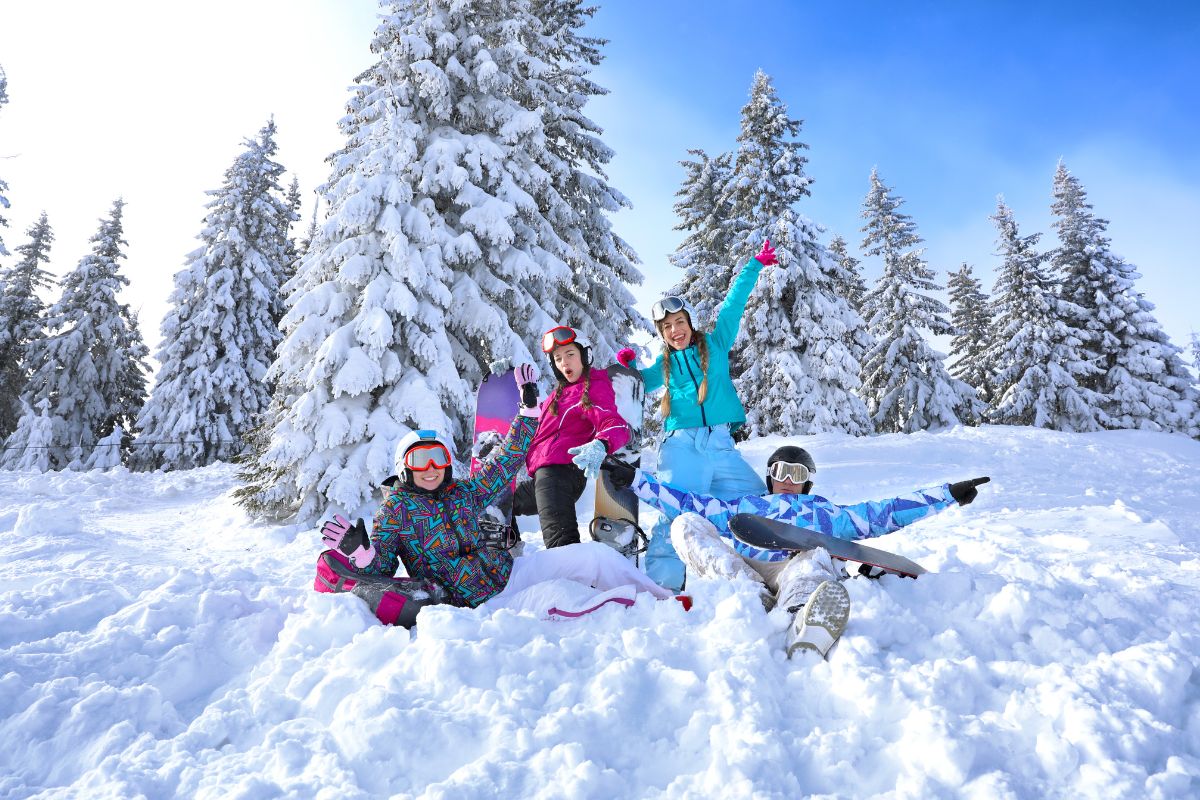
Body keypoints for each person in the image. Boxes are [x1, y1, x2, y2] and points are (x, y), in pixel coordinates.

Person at [318, 366, 673, 626]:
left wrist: (528, 413)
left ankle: (667, 603)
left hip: (513, 571)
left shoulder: (463, 492)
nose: (431, 468)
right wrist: (363, 554)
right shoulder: (396, 511)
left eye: (438, 458)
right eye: (420, 460)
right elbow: (381, 570)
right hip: (481, 605)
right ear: (405, 467)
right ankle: (630, 615)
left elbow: (506, 462)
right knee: (563, 598)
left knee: (596, 557)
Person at [610, 444, 990, 657]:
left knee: (814, 557)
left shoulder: (826, 512)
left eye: (797, 475)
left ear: (807, 483)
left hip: (795, 565)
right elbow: (685, 503)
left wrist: (947, 496)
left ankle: (803, 617)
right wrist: (634, 480)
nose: (788, 481)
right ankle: (750, 597)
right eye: (780, 472)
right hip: (745, 566)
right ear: (770, 476)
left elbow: (884, 512)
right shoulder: (746, 506)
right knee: (684, 523)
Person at [615, 240, 777, 591]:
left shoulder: (716, 345)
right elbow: (640, 383)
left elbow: (733, 306)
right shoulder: (665, 365)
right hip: (682, 447)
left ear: (689, 322)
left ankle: (773, 571)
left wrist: (754, 266)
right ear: (662, 334)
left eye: (679, 321)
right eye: (667, 327)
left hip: (720, 446)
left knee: (758, 506)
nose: (675, 330)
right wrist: (627, 369)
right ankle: (664, 589)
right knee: (675, 515)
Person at [509, 325, 631, 549]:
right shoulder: (557, 395)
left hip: (563, 474)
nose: (564, 362)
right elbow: (538, 433)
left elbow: (615, 424)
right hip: (544, 478)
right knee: (502, 503)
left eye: (570, 354)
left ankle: (572, 580)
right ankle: (511, 549)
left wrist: (601, 444)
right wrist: (526, 403)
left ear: (585, 355)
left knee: (560, 546)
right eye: (557, 358)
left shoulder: (593, 386)